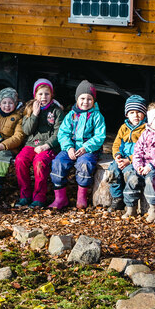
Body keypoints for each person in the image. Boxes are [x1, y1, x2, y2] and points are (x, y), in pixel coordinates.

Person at [50, 80, 107, 212]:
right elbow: (63, 133)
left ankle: (81, 196)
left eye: (89, 99)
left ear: (94, 101)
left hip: (88, 149)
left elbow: (100, 136)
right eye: (82, 98)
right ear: (77, 99)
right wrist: (69, 147)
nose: (85, 102)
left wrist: (86, 147)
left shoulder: (97, 116)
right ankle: (60, 198)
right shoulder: (71, 115)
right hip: (70, 147)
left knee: (85, 163)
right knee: (58, 162)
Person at [13, 79, 64, 208]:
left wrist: (46, 145)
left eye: (47, 94)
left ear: (51, 95)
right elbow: (26, 130)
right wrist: (35, 114)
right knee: (20, 160)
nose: (43, 97)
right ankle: (25, 195)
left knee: (39, 162)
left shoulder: (56, 111)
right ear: (35, 95)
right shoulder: (30, 109)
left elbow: (59, 133)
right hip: (31, 144)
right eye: (40, 94)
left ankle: (39, 197)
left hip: (48, 145)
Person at [128, 102, 155, 219]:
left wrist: (150, 166)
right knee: (132, 178)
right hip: (143, 166)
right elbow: (137, 151)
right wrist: (138, 166)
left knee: (150, 179)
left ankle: (154, 208)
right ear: (150, 121)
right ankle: (130, 207)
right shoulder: (145, 134)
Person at [106, 95, 148, 216]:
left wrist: (129, 160)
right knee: (113, 171)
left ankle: (129, 200)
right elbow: (116, 144)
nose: (136, 115)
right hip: (122, 158)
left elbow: (145, 149)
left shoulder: (146, 129)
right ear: (127, 114)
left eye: (139, 112)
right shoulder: (123, 128)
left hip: (135, 160)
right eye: (132, 112)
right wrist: (117, 156)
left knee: (130, 174)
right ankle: (117, 198)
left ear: (144, 114)